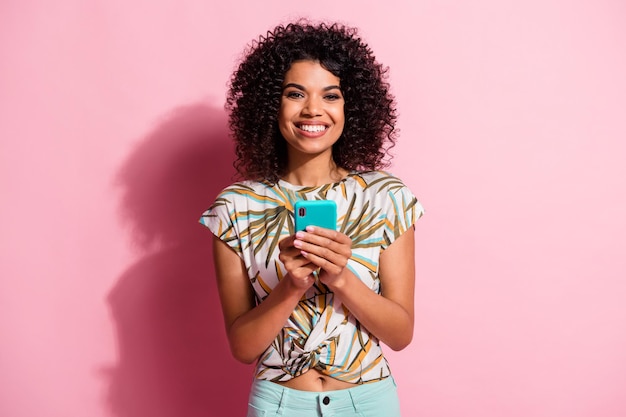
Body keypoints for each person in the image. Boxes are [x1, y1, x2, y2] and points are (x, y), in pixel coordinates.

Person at [200, 20, 424, 417]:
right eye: (295, 93)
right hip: (279, 405)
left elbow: (400, 334)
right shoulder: (235, 207)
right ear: (271, 104)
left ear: (350, 107)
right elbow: (243, 347)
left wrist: (341, 278)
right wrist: (290, 287)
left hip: (368, 403)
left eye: (331, 95)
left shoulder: (386, 198)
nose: (313, 110)